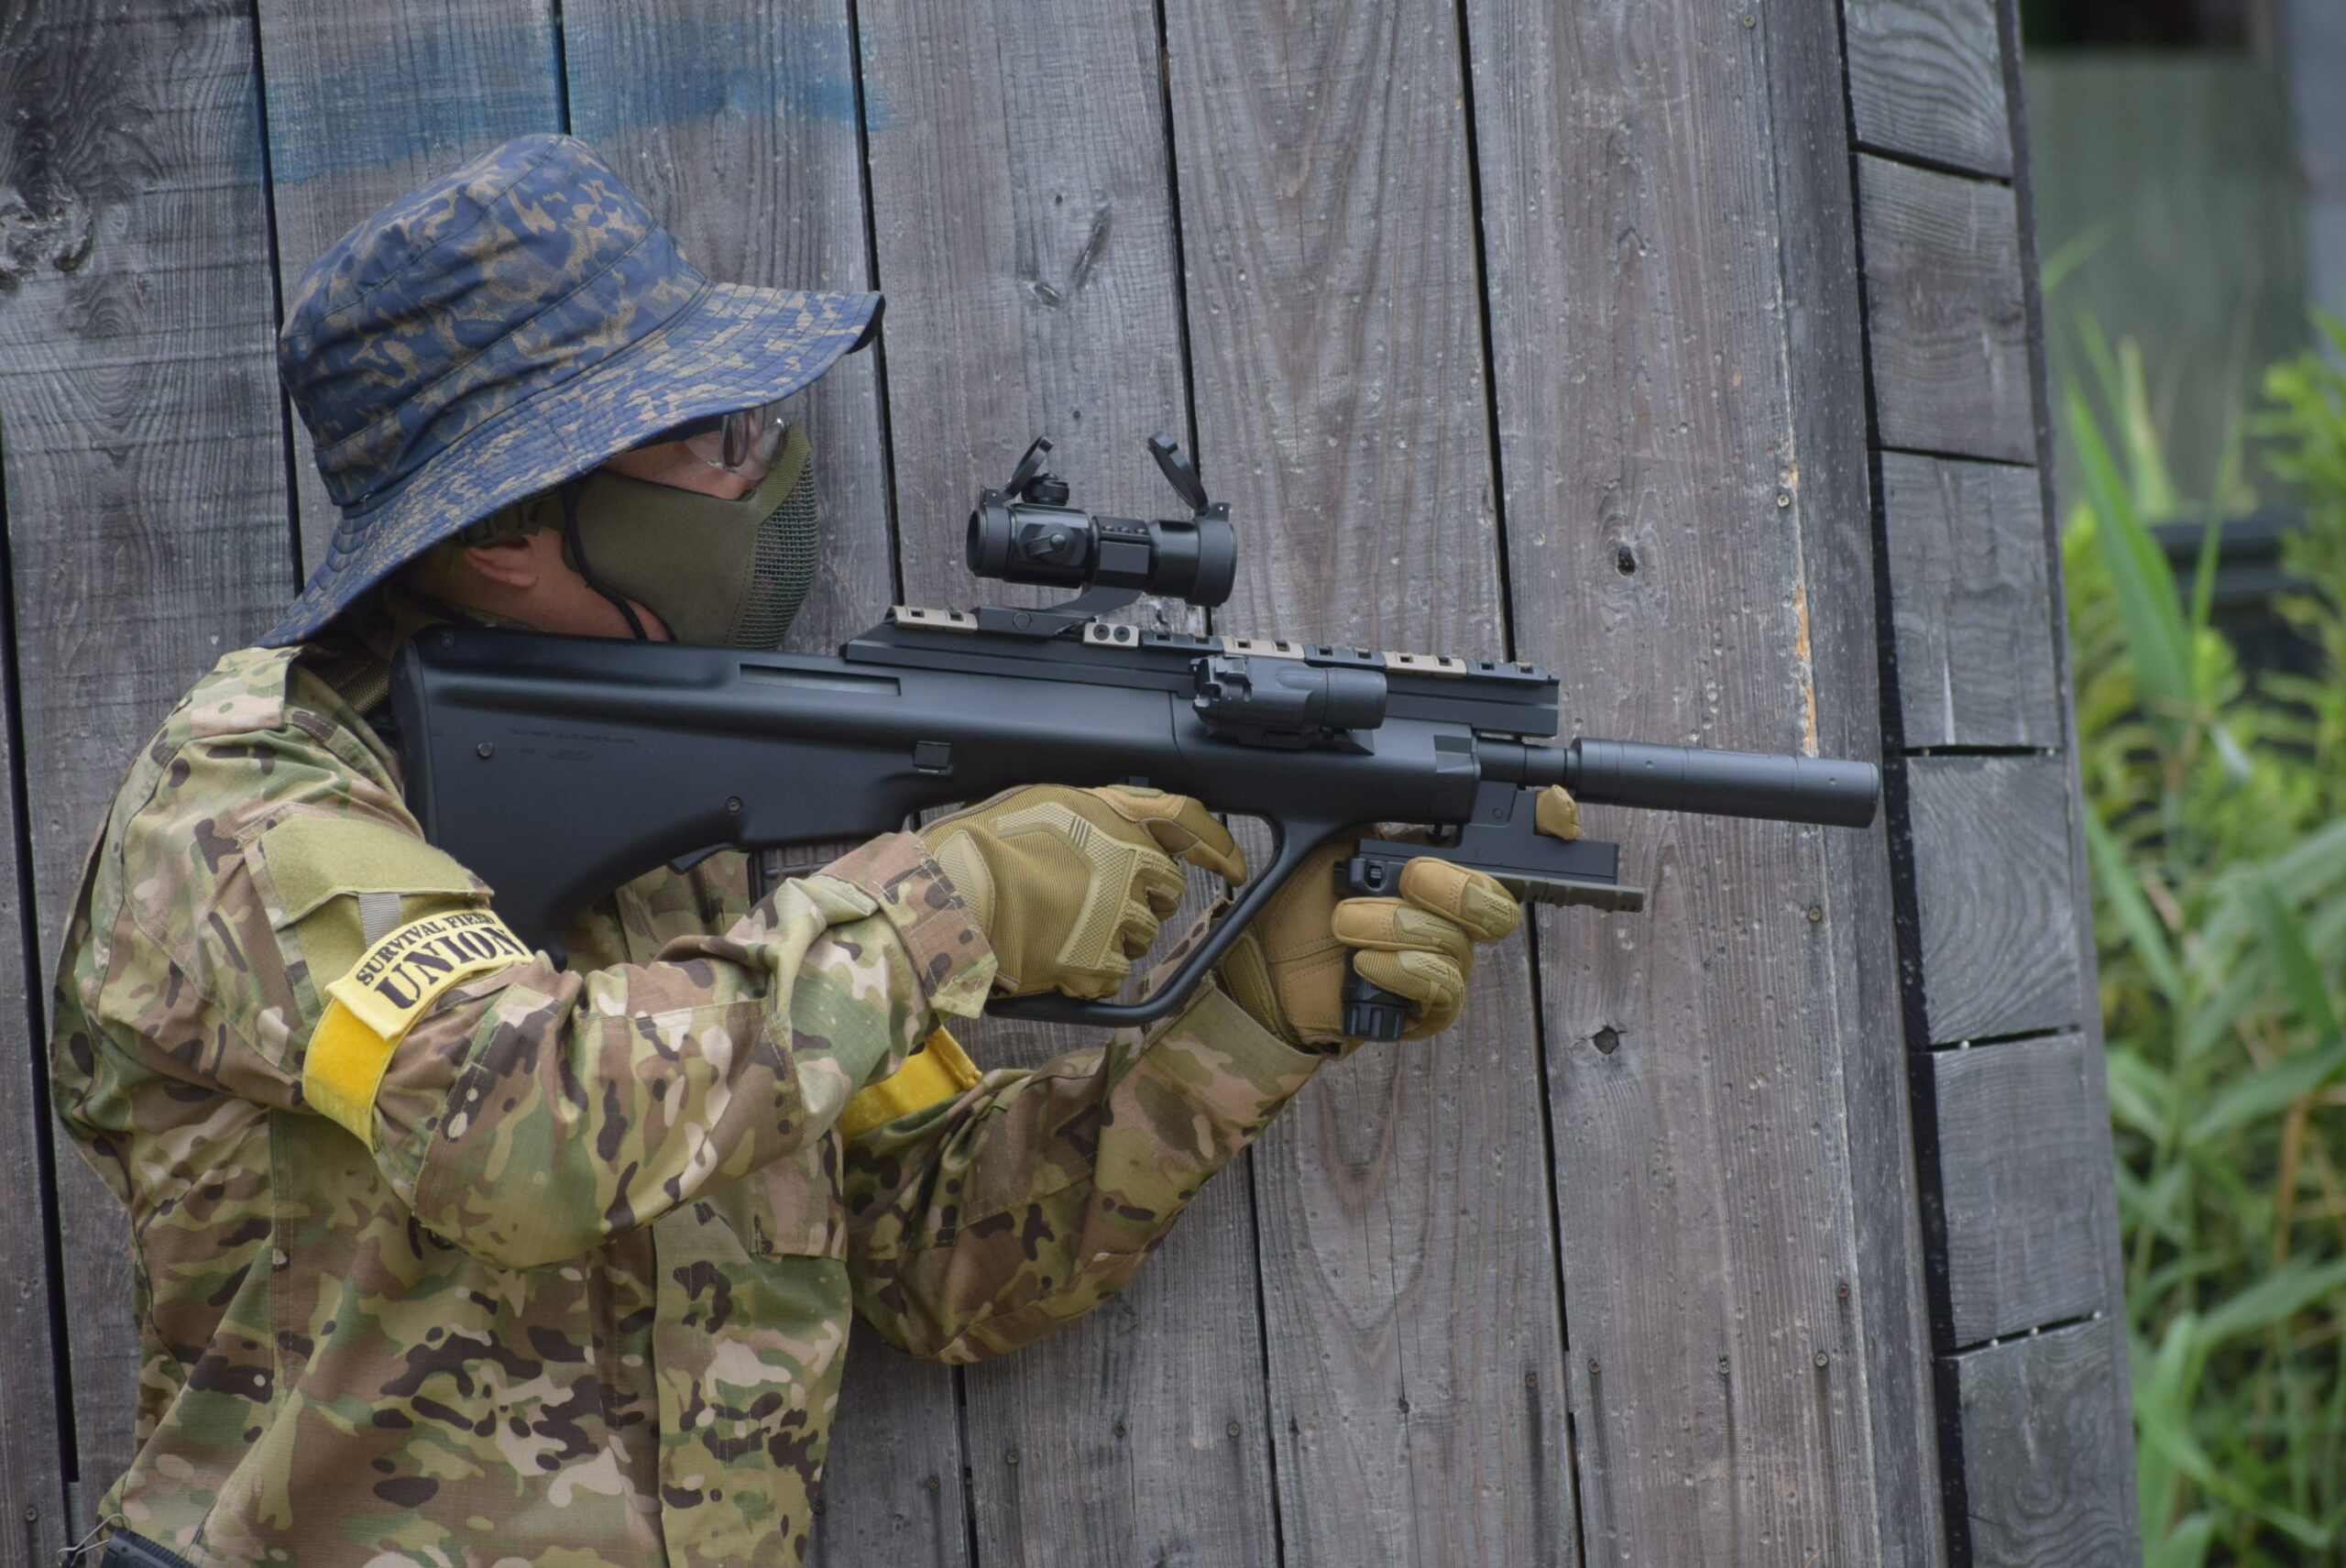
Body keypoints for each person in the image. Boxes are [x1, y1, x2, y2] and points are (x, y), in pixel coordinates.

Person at [48, 135, 1550, 1568]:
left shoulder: (680, 846)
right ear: (507, 532)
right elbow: (517, 1132)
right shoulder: (250, 806)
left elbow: (945, 1258)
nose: (773, 470)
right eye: (717, 436)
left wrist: (1244, 1027)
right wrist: (953, 902)